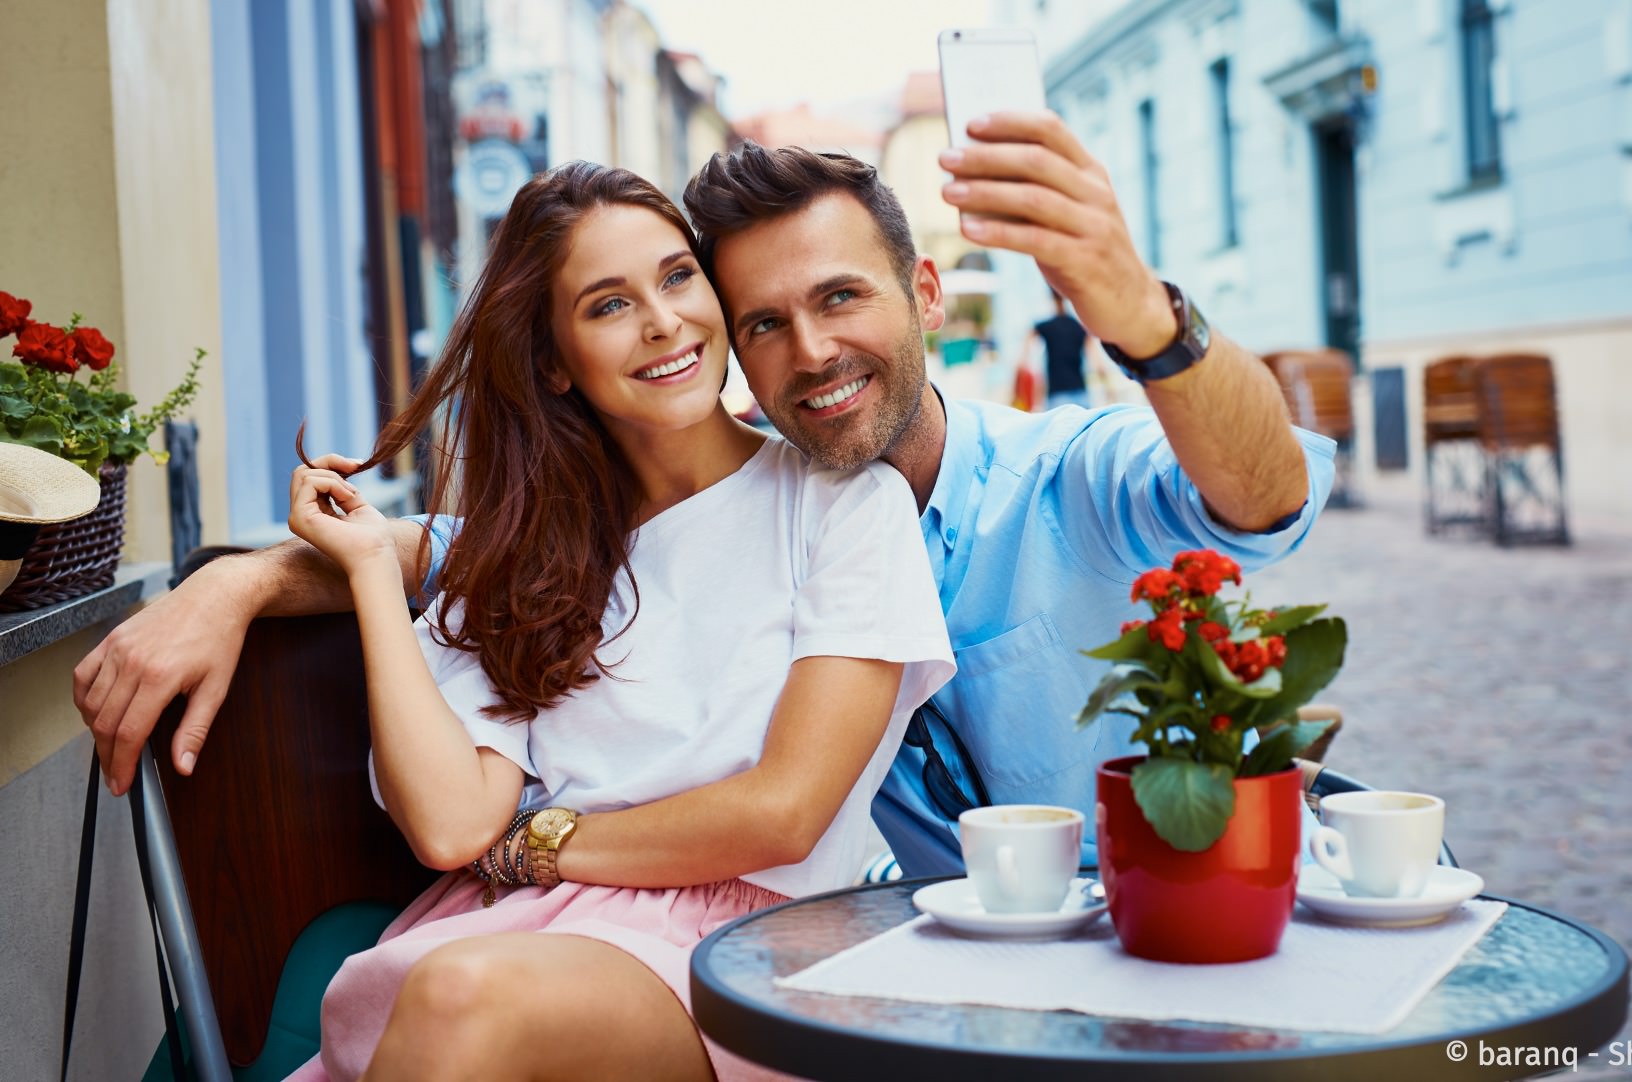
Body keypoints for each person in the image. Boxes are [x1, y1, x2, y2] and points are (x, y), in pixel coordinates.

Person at [76, 111, 1335, 880]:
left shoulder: (1066, 475)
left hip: (1179, 916)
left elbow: (1266, 492)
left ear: (925, 295)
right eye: (764, 320)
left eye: (841, 297)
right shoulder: (732, 515)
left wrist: (1144, 319)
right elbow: (437, 549)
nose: (813, 351)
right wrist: (233, 582)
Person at [280, 162, 951, 1080]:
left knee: (460, 998)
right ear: (554, 361)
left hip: (741, 953)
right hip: (510, 939)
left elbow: (786, 815)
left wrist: (540, 845)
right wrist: (366, 570)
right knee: (452, 992)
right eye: (608, 305)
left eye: (678, 278)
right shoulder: (525, 552)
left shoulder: (843, 506)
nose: (663, 321)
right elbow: (449, 825)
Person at [1023, 290, 1095, 410]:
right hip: (1080, 391)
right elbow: (1097, 362)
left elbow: (1024, 355)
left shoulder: (1047, 326)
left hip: (1057, 394)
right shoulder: (1079, 327)